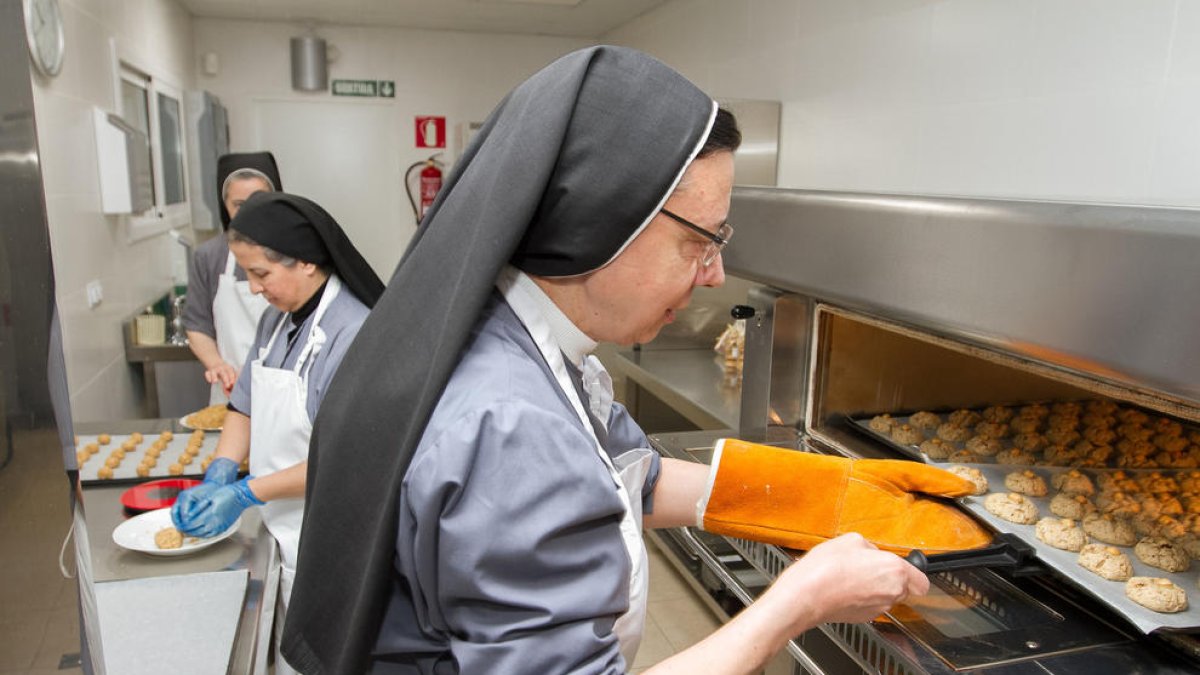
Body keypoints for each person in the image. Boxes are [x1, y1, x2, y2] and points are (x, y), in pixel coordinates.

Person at [284, 46, 989, 674]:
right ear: (601, 219)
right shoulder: (510, 424)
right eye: (699, 241)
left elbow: (628, 474)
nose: (714, 274)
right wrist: (796, 604)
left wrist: (823, 494)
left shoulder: (510, 334)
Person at [172, 192, 384, 675]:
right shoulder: (276, 321)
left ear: (307, 263)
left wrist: (245, 491)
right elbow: (243, 404)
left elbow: (344, 460)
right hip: (279, 523)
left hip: (329, 536)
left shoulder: (352, 333)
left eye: (260, 274)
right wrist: (220, 469)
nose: (251, 288)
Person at [183, 152, 283, 404]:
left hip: (283, 385)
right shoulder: (209, 256)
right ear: (225, 206)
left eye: (259, 199)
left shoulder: (294, 252)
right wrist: (217, 365)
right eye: (238, 204)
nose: (249, 210)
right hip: (232, 387)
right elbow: (197, 324)